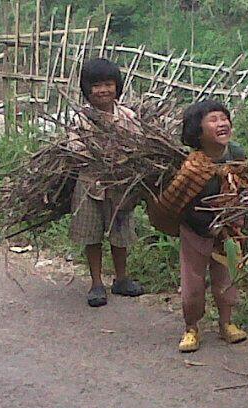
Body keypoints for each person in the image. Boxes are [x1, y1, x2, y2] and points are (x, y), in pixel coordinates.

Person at [154, 100, 248, 352]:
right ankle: (191, 327)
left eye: (224, 118)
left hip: (229, 229)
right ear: (197, 131)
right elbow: (182, 201)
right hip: (196, 230)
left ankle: (226, 323)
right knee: (193, 284)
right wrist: (208, 226)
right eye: (213, 120)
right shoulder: (192, 165)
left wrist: (231, 222)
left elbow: (245, 188)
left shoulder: (236, 155)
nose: (222, 123)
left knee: (227, 278)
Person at [69, 58, 145, 307]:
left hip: (121, 185)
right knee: (92, 234)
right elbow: (76, 149)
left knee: (120, 232)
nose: (103, 90)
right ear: (87, 89)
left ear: (117, 86)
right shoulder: (81, 119)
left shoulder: (128, 117)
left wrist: (124, 161)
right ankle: (96, 283)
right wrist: (105, 158)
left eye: (108, 84)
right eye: (96, 85)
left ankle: (122, 279)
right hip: (90, 184)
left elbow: (138, 146)